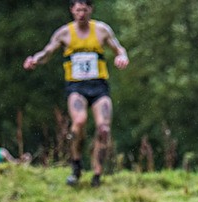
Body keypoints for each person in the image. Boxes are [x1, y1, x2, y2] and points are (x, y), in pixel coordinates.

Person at [23, 0, 129, 187]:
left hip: (99, 87)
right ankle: (76, 163)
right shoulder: (64, 33)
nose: (81, 14)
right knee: (79, 122)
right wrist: (35, 60)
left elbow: (118, 48)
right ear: (72, 10)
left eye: (85, 10)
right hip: (76, 87)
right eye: (78, 10)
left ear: (91, 10)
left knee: (104, 129)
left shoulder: (102, 30)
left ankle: (97, 173)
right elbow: (47, 52)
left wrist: (122, 56)